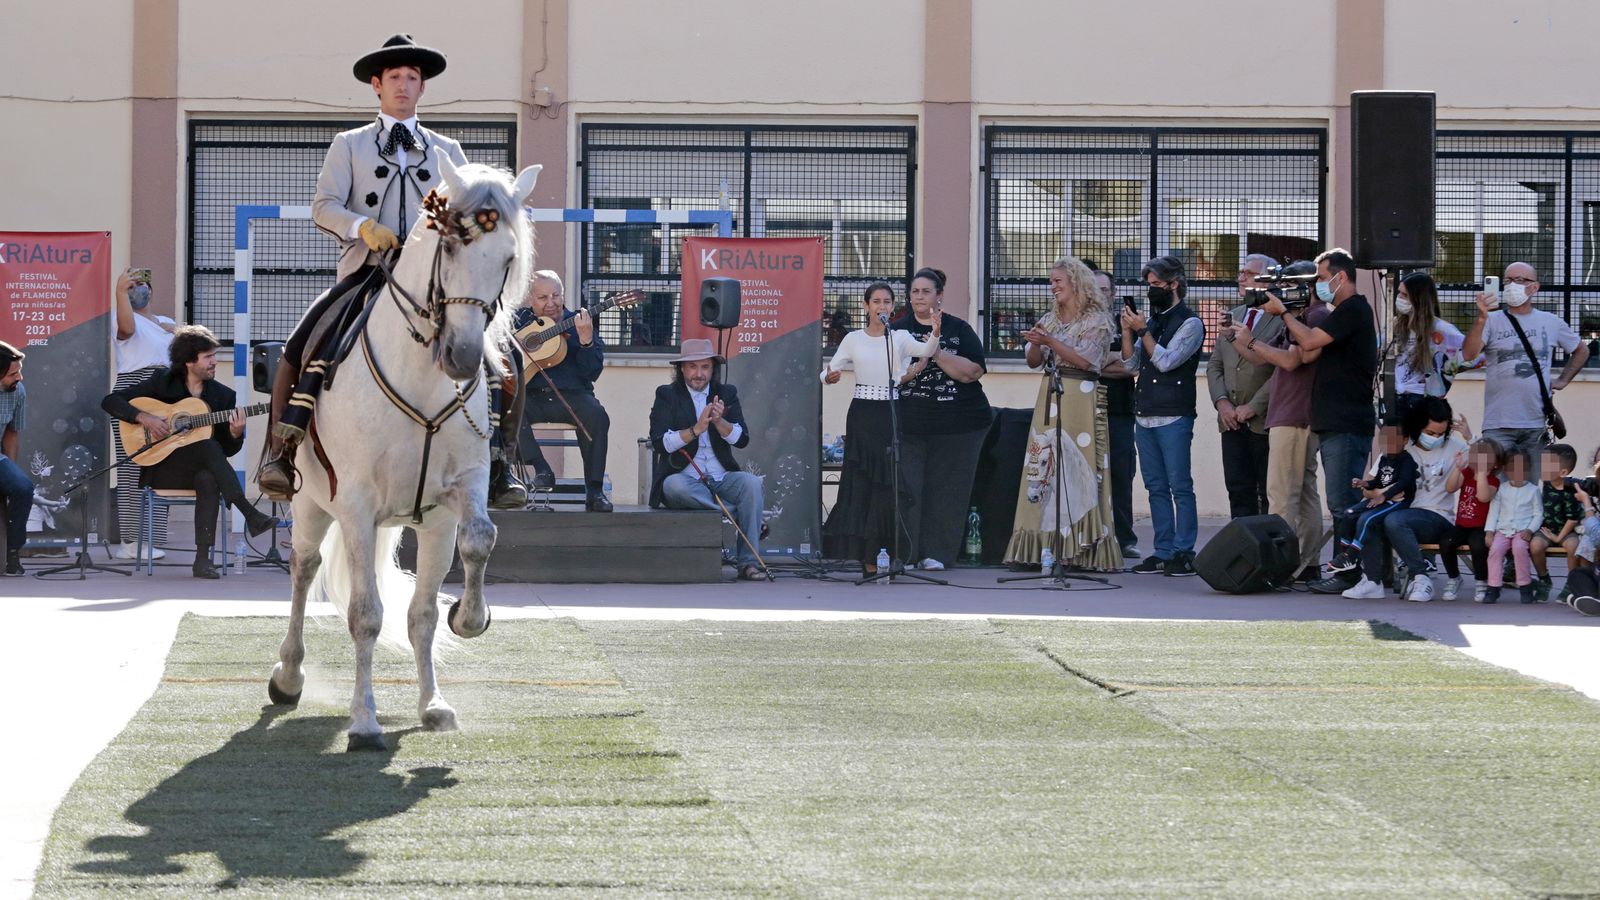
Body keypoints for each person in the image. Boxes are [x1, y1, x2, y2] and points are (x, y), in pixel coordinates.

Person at [258, 34, 470, 500]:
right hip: (367, 271)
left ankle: (499, 460)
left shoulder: (448, 150)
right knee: (303, 340)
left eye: (412, 78)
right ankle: (281, 450)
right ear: (376, 85)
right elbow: (323, 206)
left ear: (422, 89)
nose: (403, 85)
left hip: (432, 281)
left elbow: (463, 214)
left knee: (497, 349)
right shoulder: (349, 144)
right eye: (394, 77)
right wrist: (362, 226)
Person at [102, 327, 277, 579]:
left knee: (208, 473)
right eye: (208, 356)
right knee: (208, 448)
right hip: (163, 468)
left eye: (215, 355)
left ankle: (202, 560)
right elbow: (110, 401)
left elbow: (226, 450)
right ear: (188, 361)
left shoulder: (223, 396)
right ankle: (248, 513)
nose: (215, 361)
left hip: (200, 468)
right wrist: (144, 417)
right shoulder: (161, 382)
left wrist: (236, 434)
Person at [1258, 248, 1378, 593]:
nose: (1319, 285)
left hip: (1347, 421)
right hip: (1332, 422)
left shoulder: (1353, 308)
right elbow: (1304, 352)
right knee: (1336, 501)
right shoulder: (1344, 311)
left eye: (1323, 278)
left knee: (1343, 504)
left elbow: (1309, 340)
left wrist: (1282, 313)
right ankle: (1347, 571)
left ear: (1340, 277)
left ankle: (1349, 574)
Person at [1005, 255, 1121, 571]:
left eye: (1058, 280)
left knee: (1077, 467)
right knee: (1043, 464)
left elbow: (1086, 361)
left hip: (1080, 397)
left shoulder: (1097, 319)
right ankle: (1042, 548)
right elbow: (1034, 361)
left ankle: (1080, 550)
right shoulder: (1051, 318)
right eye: (1051, 280)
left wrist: (1050, 341)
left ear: (1075, 283)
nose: (1052, 286)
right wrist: (1033, 342)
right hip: (1051, 394)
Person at [821, 283, 938, 573]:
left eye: (887, 301)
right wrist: (829, 377)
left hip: (889, 412)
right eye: (876, 301)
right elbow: (827, 370)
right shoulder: (853, 338)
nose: (881, 306)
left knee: (887, 485)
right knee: (862, 482)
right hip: (862, 413)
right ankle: (865, 558)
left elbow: (926, 350)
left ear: (892, 307)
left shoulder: (898, 337)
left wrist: (935, 332)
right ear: (866, 306)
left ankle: (886, 554)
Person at [1222, 260, 1326, 582]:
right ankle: (1307, 565)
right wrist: (1242, 337)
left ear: (1302, 287)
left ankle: (1275, 569)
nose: (1275, 294)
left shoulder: (1314, 315)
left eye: (1283, 287)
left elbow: (1292, 361)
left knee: (1281, 496)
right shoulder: (1297, 317)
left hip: (1296, 415)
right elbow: (1266, 358)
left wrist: (1271, 324)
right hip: (1290, 412)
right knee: (1304, 492)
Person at [892, 267, 993, 571]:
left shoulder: (958, 329)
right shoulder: (898, 330)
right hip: (909, 424)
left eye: (925, 291)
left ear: (939, 296)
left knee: (947, 491)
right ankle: (906, 554)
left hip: (959, 425)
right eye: (914, 292)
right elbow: (890, 376)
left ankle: (937, 553)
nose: (919, 297)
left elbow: (971, 371)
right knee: (907, 489)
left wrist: (934, 350)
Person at [648, 338, 766, 580]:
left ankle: (748, 563)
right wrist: (696, 429)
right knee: (672, 486)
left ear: (713, 370)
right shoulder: (667, 395)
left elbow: (741, 439)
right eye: (692, 367)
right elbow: (660, 442)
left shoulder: (726, 393)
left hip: (722, 476)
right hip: (686, 478)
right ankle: (737, 514)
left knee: (752, 484)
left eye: (705, 367)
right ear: (682, 369)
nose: (699, 374)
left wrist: (719, 422)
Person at [1461, 262, 1589, 479]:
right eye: (1508, 280)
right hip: (1498, 422)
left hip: (1535, 423)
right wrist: (1482, 318)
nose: (1512, 285)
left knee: (1529, 489)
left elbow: (1581, 350)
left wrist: (1563, 380)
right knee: (1496, 488)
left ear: (1534, 287)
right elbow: (1468, 354)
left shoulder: (1550, 321)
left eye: (1520, 280)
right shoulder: (1491, 321)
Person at [1121, 255, 1204, 577]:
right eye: (1148, 285)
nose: (1151, 290)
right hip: (1145, 414)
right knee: (1155, 487)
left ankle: (1184, 551)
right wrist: (1128, 331)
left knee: (1179, 485)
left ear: (1174, 284)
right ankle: (1163, 550)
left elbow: (1167, 361)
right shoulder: (1152, 322)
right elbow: (1130, 366)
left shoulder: (1191, 323)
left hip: (1174, 415)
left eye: (1157, 285)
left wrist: (1142, 331)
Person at [1341, 397, 1468, 602]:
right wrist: (1380, 494)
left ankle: (1421, 578)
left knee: (1395, 520)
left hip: (1436, 516)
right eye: (1429, 433)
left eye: (1441, 434)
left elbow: (1487, 465)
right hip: (1398, 510)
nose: (1436, 438)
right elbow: (1368, 488)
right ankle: (1373, 581)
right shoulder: (1399, 447)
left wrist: (1469, 439)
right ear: (1416, 428)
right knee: (1366, 518)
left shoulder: (1457, 448)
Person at [506, 271, 612, 512]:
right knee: (507, 408)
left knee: (597, 415)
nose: (551, 303)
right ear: (530, 299)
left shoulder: (579, 322)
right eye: (543, 297)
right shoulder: (517, 322)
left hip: (572, 396)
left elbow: (592, 373)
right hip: (530, 398)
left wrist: (586, 341)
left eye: (556, 295)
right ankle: (542, 469)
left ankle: (594, 492)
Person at [1207, 254, 1283, 518]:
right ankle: (1242, 551)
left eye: (1248, 273)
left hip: (1264, 420)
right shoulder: (1234, 315)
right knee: (1238, 489)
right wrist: (1222, 402)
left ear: (1268, 280)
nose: (1241, 277)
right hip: (1231, 421)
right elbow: (1215, 364)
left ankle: (1267, 554)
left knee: (1267, 492)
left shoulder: (1283, 317)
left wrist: (1254, 406)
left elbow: (1280, 370)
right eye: (1241, 272)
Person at [110, 267, 177, 560]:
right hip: (133, 389)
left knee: (162, 465)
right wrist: (120, 291)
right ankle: (130, 540)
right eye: (133, 285)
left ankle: (153, 538)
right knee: (132, 466)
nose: (139, 289)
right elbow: (128, 330)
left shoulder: (166, 323)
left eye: (142, 284)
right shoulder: (122, 319)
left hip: (165, 394)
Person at [1091, 267, 1140, 559]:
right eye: (1094, 289)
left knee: (1121, 474)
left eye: (1105, 290)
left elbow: (1131, 365)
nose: (1099, 295)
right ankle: (1091, 536)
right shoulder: (1080, 322)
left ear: (1114, 293)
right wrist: (1110, 361)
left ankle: (1124, 539)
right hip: (1084, 408)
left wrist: (1095, 362)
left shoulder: (1127, 323)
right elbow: (1075, 359)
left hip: (1119, 411)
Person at [1325, 422, 1417, 576]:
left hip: (1397, 501)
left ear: (1405, 440)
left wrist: (1384, 496)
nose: (1389, 443)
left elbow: (1404, 482)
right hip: (1381, 497)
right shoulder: (1384, 458)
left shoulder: (1406, 460)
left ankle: (1352, 555)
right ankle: (1344, 554)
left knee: (1366, 519)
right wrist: (1365, 484)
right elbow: (1379, 481)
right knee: (1349, 513)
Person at [1388, 271, 1464, 415]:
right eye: (1399, 293)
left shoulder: (1441, 329)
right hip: (1397, 396)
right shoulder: (1396, 326)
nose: (1400, 298)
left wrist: (1444, 371)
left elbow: (1470, 354)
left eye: (1405, 295)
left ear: (1418, 299)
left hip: (1421, 398)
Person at [1438, 437, 1501, 603]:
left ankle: (1481, 581)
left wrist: (1480, 474)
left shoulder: (1494, 481)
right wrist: (1458, 469)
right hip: (1462, 525)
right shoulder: (1466, 473)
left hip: (1481, 526)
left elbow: (1483, 497)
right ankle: (1454, 578)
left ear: (1495, 464)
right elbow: (1450, 488)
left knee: (1478, 546)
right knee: (1446, 542)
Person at [1482, 449, 1541, 604]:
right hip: (1502, 530)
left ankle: (1525, 586)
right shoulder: (1502, 489)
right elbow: (1494, 512)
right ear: (1506, 470)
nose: (1518, 472)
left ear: (1528, 470)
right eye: (1513, 468)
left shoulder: (1533, 490)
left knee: (1520, 549)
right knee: (1495, 550)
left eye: (1522, 468)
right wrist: (1489, 532)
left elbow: (1538, 514)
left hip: (1522, 531)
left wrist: (1530, 530)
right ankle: (1493, 587)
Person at [1531, 443, 1583, 602]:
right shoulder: (1547, 482)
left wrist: (1558, 538)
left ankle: (1571, 584)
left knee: (1573, 547)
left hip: (1567, 530)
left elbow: (1573, 518)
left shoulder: (1571, 489)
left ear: (1563, 472)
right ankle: (1544, 579)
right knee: (1535, 546)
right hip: (1548, 528)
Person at [0, 341, 32, 576]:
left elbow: (12, 432)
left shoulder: (17, 392)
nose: (19, 377)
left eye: (19, 370)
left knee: (22, 487)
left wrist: (10, 469)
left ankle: (12, 552)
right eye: (13, 373)